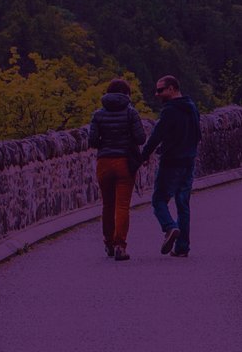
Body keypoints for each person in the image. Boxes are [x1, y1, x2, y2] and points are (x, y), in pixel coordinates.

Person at [139, 73, 200, 257]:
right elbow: (198, 134)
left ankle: (169, 227)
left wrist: (143, 156)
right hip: (189, 161)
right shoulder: (191, 107)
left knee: (158, 199)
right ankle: (182, 247)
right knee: (183, 204)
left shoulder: (170, 111)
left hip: (171, 162)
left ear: (171, 89)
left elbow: (157, 135)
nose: (157, 94)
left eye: (160, 90)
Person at [85, 78, 146, 260]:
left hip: (104, 162)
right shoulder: (131, 113)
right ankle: (120, 245)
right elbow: (141, 138)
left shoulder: (98, 115)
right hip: (124, 162)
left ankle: (108, 243)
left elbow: (93, 141)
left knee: (107, 205)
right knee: (122, 206)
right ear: (126, 94)